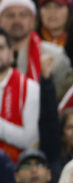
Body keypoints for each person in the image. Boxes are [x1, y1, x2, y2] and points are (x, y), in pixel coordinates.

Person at [0, 25, 38, 164]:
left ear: (11, 53)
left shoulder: (29, 87)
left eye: (1, 48)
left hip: (16, 171)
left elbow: (30, 140)